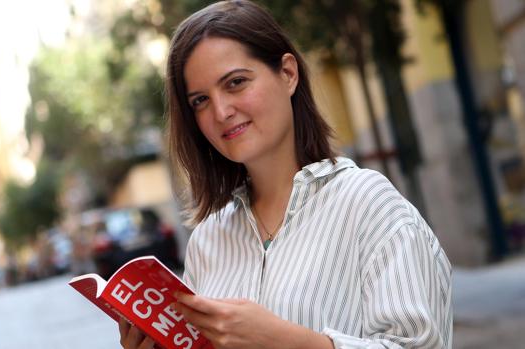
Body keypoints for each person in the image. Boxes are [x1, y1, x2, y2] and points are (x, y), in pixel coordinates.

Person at [118, 1, 452, 348]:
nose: (220, 111)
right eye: (200, 100)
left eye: (235, 82)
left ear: (288, 74)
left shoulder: (367, 203)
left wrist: (289, 341)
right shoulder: (207, 242)